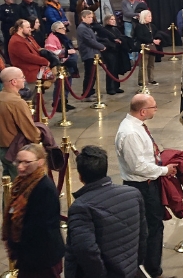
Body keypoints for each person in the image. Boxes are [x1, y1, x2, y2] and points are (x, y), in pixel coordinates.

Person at [115, 94, 178, 277]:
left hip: (148, 184)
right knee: (151, 228)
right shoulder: (130, 133)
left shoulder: (137, 127)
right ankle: (151, 269)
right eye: (153, 107)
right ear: (143, 111)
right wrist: (165, 170)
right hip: (141, 187)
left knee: (152, 226)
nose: (156, 110)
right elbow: (138, 166)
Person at [64, 145, 147, 278]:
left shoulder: (80, 207)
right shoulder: (133, 194)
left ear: (80, 176)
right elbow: (143, 236)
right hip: (129, 271)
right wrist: (134, 265)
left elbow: (86, 251)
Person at [2, 143, 65, 277]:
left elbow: (40, 228)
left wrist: (18, 243)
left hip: (42, 257)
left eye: (26, 163)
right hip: (28, 256)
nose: (20, 167)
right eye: (18, 162)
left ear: (40, 162)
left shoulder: (44, 188)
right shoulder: (22, 182)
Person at [0, 67, 40, 179]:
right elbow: (29, 129)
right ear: (14, 81)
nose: (24, 79)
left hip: (2, 149)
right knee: (20, 185)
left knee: (8, 182)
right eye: (22, 77)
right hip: (15, 151)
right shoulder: (16, 102)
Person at [44, 21, 78, 109]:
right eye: (62, 28)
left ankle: (64, 101)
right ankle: (58, 103)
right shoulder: (51, 38)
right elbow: (51, 52)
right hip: (59, 64)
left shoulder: (63, 37)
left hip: (67, 63)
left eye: (64, 27)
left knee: (67, 84)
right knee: (59, 84)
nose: (64, 29)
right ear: (56, 29)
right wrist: (67, 52)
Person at [6, 19, 51, 84]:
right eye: (27, 27)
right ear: (20, 29)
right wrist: (45, 61)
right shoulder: (16, 41)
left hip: (37, 68)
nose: (30, 29)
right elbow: (28, 57)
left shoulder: (28, 37)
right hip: (28, 72)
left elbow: (38, 49)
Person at [77, 10, 105, 98]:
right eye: (89, 17)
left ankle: (91, 91)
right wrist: (101, 46)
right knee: (89, 75)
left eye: (91, 17)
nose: (91, 19)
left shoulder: (88, 27)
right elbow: (90, 41)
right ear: (83, 18)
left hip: (93, 53)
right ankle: (86, 93)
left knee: (93, 75)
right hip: (88, 53)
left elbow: (94, 38)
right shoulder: (82, 28)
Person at [100, 14, 130, 95]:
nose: (113, 21)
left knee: (116, 69)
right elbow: (104, 40)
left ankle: (116, 86)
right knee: (111, 69)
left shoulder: (115, 29)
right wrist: (114, 41)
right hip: (109, 52)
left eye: (114, 19)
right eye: (111, 19)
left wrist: (120, 40)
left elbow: (121, 36)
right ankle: (110, 88)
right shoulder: (103, 30)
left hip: (117, 51)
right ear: (107, 20)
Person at [133, 10, 160, 88]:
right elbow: (140, 37)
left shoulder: (152, 25)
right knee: (143, 65)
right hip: (144, 47)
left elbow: (156, 33)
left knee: (151, 64)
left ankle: (151, 79)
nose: (150, 18)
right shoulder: (139, 26)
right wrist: (152, 40)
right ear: (144, 17)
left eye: (150, 16)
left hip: (152, 47)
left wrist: (158, 39)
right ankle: (141, 80)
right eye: (149, 16)